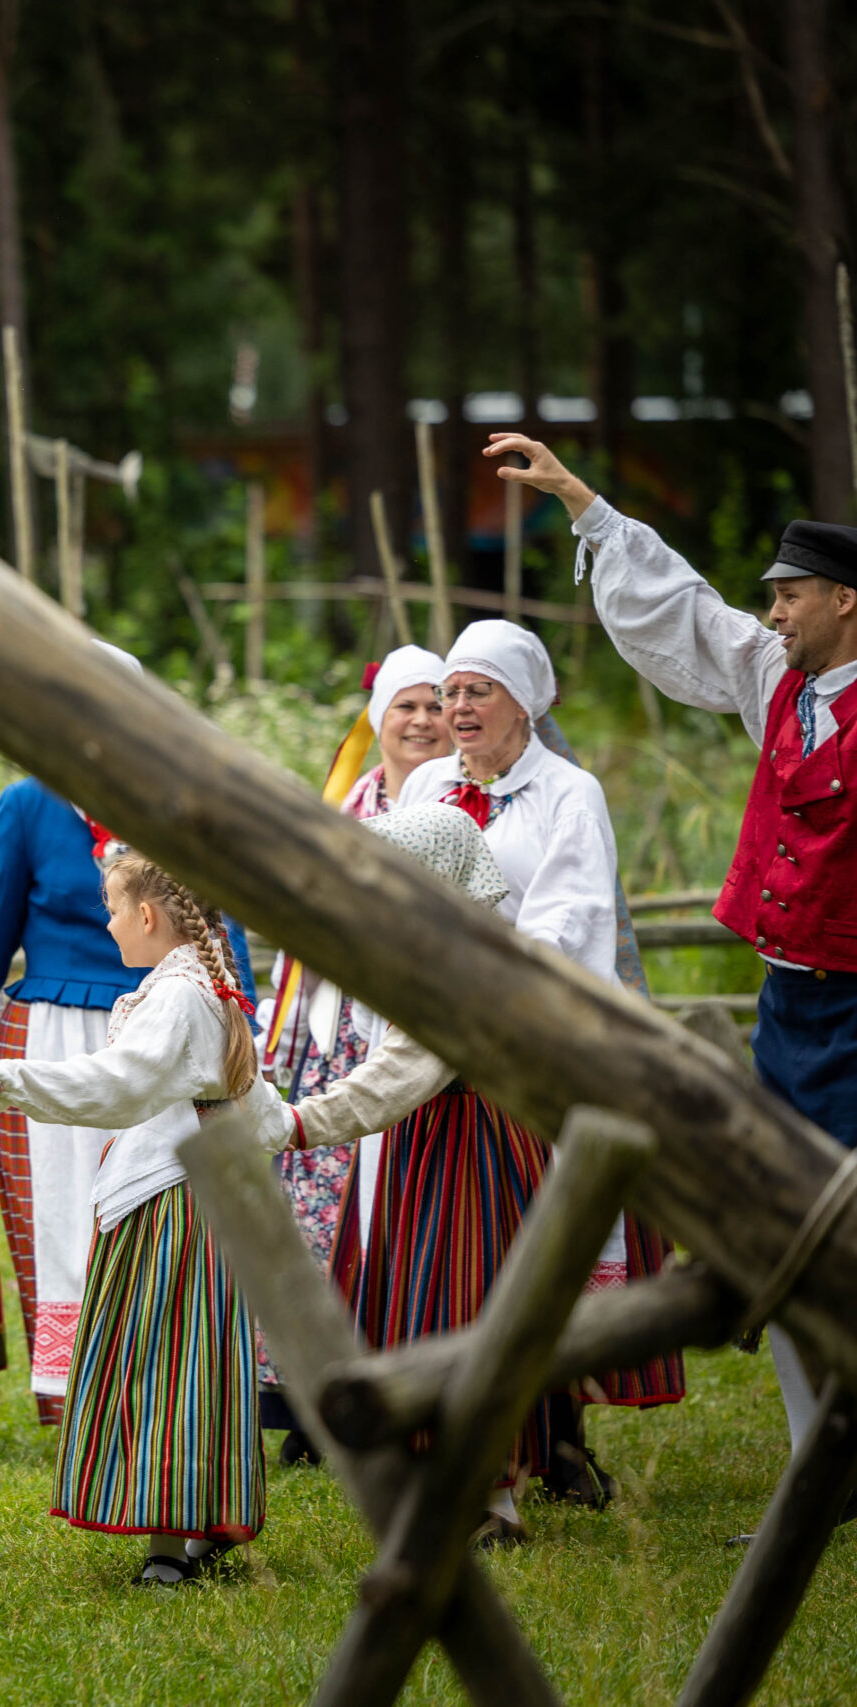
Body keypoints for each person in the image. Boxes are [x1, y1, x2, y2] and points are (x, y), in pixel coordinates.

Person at [492, 435, 857, 1480]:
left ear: (842, 599)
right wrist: (583, 507)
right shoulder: (776, 685)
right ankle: (816, 1468)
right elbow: (687, 612)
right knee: (777, 1229)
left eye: (789, 595)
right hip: (790, 1007)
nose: (772, 613)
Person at [390, 617, 682, 1531]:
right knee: (450, 1262)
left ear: (526, 699)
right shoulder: (432, 783)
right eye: (450, 692)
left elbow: (574, 917)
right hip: (440, 1052)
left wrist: (493, 977)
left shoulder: (567, 792)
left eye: (478, 690)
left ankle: (520, 1462)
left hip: (524, 1055)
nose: (457, 708)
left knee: (515, 1258)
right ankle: (481, 1464)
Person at [0, 641, 250, 1426]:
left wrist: (239, 1024)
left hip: (167, 1028)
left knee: (160, 1201)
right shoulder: (28, 806)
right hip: (54, 1033)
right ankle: (81, 1392)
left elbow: (218, 918)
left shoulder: (179, 799)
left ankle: (160, 1371)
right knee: (67, 1211)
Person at [0, 850, 265, 1587]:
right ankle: (199, 1521)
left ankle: (169, 1547)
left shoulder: (175, 997)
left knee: (164, 1362)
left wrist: (5, 1081)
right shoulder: (203, 985)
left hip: (170, 1195)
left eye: (111, 908)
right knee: (193, 1359)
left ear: (147, 915)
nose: (106, 923)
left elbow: (117, 1085)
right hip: (196, 1190)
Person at [251, 644, 449, 1461]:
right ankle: (312, 1397)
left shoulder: (456, 803)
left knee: (390, 1226)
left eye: (437, 704)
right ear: (377, 717)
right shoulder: (352, 800)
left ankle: (389, 1389)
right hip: (330, 1033)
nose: (421, 719)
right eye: (405, 705)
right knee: (317, 1221)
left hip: (408, 1032)